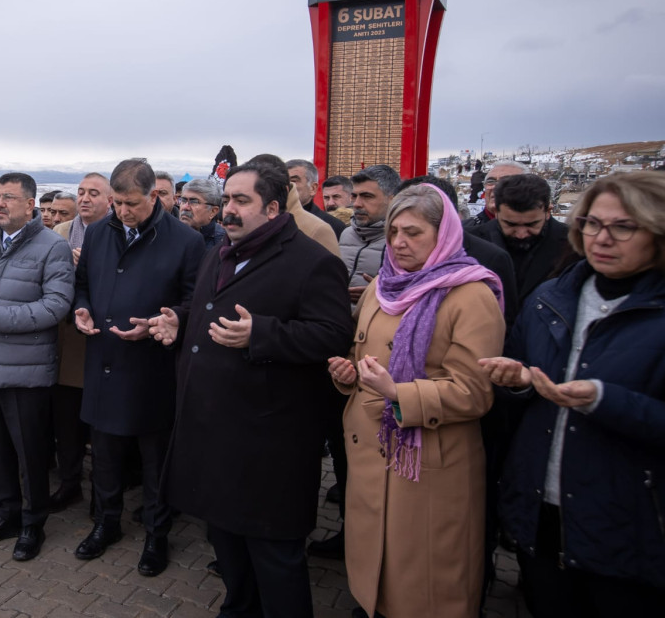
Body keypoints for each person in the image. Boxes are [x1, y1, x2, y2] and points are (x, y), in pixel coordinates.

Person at [154, 161, 354, 618]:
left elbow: (332, 334)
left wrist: (261, 335)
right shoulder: (222, 250)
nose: (229, 211)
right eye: (226, 200)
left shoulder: (312, 261)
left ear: (273, 206)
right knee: (224, 537)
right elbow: (207, 307)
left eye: (241, 201)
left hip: (268, 438)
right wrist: (179, 320)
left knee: (274, 552)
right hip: (211, 427)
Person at [480, 171, 665, 616]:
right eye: (592, 224)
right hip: (541, 507)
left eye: (623, 226)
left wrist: (606, 400)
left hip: (630, 523)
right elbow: (521, 367)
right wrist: (516, 380)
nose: (603, 238)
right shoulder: (551, 297)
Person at [328, 183, 504, 618]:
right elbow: (361, 354)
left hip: (428, 463)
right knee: (378, 563)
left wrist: (398, 393)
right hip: (373, 449)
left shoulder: (471, 295)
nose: (399, 243)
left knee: (422, 576)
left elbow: (475, 392)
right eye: (392, 233)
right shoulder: (381, 287)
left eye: (413, 233)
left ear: (443, 234)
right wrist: (347, 374)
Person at [73, 158, 206, 576]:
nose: (123, 212)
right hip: (104, 361)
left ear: (155, 196)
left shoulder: (186, 241)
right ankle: (105, 524)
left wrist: (164, 324)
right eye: (117, 203)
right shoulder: (98, 232)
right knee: (106, 458)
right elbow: (82, 284)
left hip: (153, 369)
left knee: (155, 462)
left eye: (132, 203)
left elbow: (195, 303)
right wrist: (81, 310)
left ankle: (156, 535)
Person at [0, 172, 75, 562]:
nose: (0, 203)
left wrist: (0, 317)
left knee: (29, 453)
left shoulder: (52, 247)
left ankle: (32, 523)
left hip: (25, 372)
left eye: (9, 198)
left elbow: (57, 306)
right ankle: (6, 514)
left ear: (30, 205)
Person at [47, 173, 113, 514]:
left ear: (110, 200)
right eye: (81, 192)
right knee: (67, 420)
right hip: (68, 339)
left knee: (101, 428)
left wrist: (88, 266)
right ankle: (69, 483)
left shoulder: (116, 234)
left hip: (103, 341)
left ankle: (103, 495)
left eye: (94, 193)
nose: (85, 199)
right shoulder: (61, 232)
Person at [469, 173, 578, 312]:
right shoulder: (471, 243)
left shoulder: (573, 245)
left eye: (531, 225)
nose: (521, 234)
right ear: (496, 211)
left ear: (548, 211)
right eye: (511, 224)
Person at [340, 165, 402, 305]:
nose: (356, 204)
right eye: (354, 196)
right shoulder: (345, 234)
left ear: (392, 199)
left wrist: (380, 293)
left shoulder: (403, 240)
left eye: (367, 197)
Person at [288, 159, 346, 239]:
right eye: (283, 181)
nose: (286, 186)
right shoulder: (270, 220)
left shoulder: (333, 226)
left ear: (313, 188)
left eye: (293, 181)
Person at [466, 160, 530, 228]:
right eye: (490, 181)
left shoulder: (538, 230)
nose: (495, 187)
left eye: (506, 182)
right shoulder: (462, 231)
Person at [177, 178, 226, 249]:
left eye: (194, 202)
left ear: (213, 211)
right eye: (183, 200)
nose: (185, 207)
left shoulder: (223, 243)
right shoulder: (168, 234)